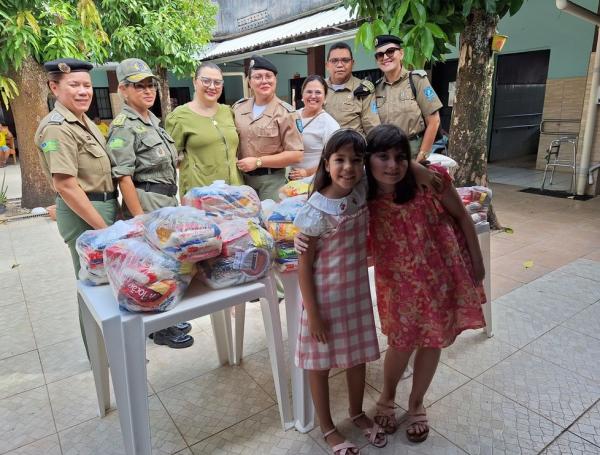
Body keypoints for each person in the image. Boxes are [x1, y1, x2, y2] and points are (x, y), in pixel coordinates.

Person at [365, 124, 486, 443]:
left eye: (400, 157)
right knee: (401, 343)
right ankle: (386, 398)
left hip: (440, 276)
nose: (392, 165)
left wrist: (477, 261)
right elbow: (327, 178)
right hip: (398, 283)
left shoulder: (431, 182)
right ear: (368, 159)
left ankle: (417, 401)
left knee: (433, 340)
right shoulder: (363, 194)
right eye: (382, 157)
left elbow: (462, 217)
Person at [293, 129, 386, 454]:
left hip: (356, 299)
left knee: (356, 357)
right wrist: (314, 314)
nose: (348, 167)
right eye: (340, 160)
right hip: (324, 303)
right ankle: (328, 427)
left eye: (355, 161)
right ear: (326, 162)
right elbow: (304, 267)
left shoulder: (361, 192)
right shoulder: (315, 210)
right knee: (319, 364)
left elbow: (393, 164)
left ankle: (357, 412)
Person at [106, 58, 192, 349]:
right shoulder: (124, 127)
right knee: (152, 266)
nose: (147, 91)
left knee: (166, 264)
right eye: (138, 86)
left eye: (149, 85)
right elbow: (124, 177)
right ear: (123, 90)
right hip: (146, 200)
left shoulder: (152, 120)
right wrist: (139, 217)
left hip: (165, 199)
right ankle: (158, 327)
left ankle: (165, 316)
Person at [35, 58, 118, 351]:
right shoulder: (57, 128)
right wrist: (104, 230)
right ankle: (100, 355)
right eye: (75, 85)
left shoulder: (84, 122)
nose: (84, 91)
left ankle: (114, 348)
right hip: (87, 216)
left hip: (103, 208)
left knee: (109, 284)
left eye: (87, 85)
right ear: (54, 87)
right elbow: (66, 185)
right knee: (94, 288)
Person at [166, 62, 243, 198]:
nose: (212, 87)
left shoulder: (228, 112)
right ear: (195, 82)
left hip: (233, 192)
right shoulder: (179, 116)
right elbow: (170, 160)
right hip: (201, 195)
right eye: (206, 81)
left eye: (217, 82)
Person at [233, 55, 304, 201]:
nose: (264, 81)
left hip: (272, 182)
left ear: (275, 80)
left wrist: (258, 162)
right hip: (241, 180)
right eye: (258, 77)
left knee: (270, 221)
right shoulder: (238, 108)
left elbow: (296, 154)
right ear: (249, 82)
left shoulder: (286, 112)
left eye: (268, 76)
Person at [373, 35, 442, 161]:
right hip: (385, 155)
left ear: (401, 53)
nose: (385, 57)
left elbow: (434, 121)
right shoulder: (376, 88)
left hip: (413, 153)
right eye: (380, 55)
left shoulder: (417, 80)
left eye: (390, 51)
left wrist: (423, 156)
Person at [289, 75, 339, 181]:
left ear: (325, 97)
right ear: (302, 94)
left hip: (314, 180)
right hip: (287, 178)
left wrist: (306, 172)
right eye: (309, 92)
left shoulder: (329, 123)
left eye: (318, 92)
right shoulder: (292, 116)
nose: (313, 96)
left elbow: (334, 159)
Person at [324, 42, 380, 135]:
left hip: (354, 147)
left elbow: (372, 127)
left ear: (352, 63)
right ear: (327, 65)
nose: (340, 65)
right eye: (334, 60)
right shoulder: (319, 88)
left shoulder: (364, 89)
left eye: (345, 60)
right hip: (323, 148)